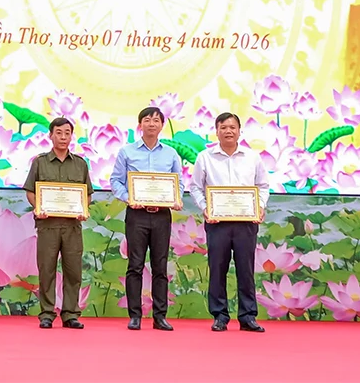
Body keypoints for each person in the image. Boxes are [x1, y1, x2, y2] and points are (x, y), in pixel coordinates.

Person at [190, 112, 269, 333]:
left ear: (239, 131)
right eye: (223, 127)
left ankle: (248, 316)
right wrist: (205, 208)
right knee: (217, 269)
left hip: (245, 222)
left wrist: (260, 206)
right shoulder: (205, 157)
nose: (228, 131)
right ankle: (220, 316)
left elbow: (263, 186)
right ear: (216, 131)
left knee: (246, 270)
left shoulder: (252, 157)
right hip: (218, 222)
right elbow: (195, 187)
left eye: (232, 127)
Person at [109, 106, 182, 331]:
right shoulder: (126, 152)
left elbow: (178, 183)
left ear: (162, 125)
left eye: (156, 120)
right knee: (135, 265)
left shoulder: (171, 154)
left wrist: (176, 198)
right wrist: (129, 198)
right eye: (147, 120)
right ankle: (135, 316)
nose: (152, 123)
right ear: (140, 125)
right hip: (137, 214)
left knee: (160, 267)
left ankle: (160, 317)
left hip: (161, 215)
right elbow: (115, 181)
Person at [23, 117, 92, 330]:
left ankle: (70, 314)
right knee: (47, 271)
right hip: (48, 226)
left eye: (67, 133)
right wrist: (38, 207)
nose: (63, 137)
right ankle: (46, 314)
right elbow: (30, 191)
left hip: (72, 227)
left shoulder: (80, 164)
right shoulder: (40, 162)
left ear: (72, 136)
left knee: (73, 272)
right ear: (51, 135)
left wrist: (84, 209)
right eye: (59, 133)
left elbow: (87, 194)